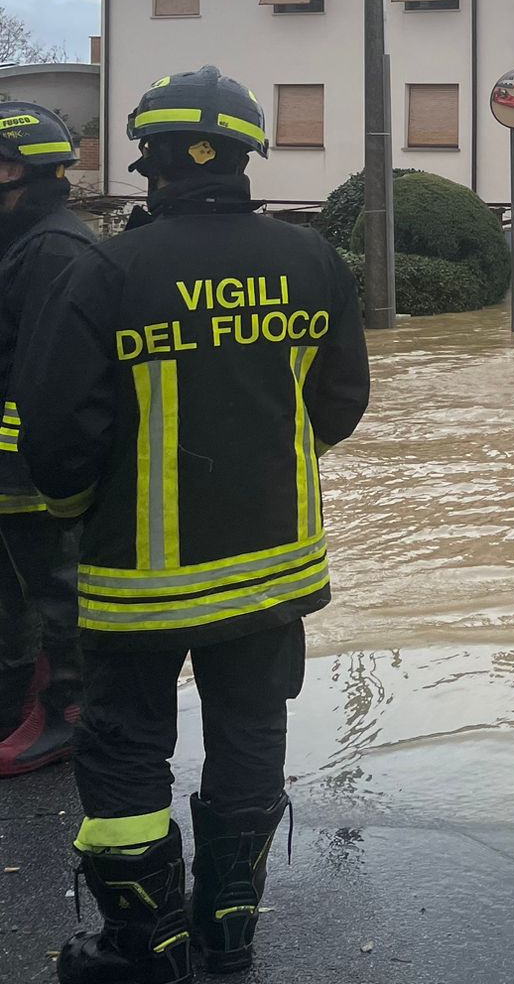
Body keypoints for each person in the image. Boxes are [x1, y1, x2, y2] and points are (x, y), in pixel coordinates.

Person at [17, 66, 371, 982]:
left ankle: (145, 946)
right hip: (275, 571)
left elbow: (58, 427)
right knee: (251, 737)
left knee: (127, 749)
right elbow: (339, 403)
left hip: (138, 577)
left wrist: (72, 512)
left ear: (150, 159)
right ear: (249, 154)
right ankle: (229, 936)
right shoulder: (313, 259)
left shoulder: (105, 267)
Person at [0, 102, 94, 778]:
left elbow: (52, 371)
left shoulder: (56, 248)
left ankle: (63, 714)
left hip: (30, 464)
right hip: (12, 460)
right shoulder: (22, 241)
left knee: (54, 588)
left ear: (26, 174)